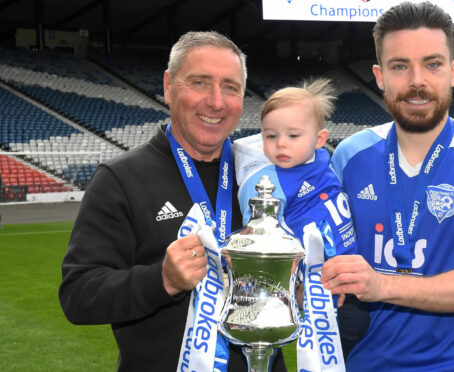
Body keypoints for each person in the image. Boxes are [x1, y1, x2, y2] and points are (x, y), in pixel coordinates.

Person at [58, 31, 286, 371]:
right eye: (199, 82)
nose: (216, 101)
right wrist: (161, 281)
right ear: (168, 85)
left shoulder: (265, 176)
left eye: (230, 87)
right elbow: (78, 296)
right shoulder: (120, 179)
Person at [320, 2, 454, 371]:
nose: (417, 80)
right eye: (400, 66)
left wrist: (381, 285)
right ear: (379, 76)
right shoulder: (350, 156)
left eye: (432, 64)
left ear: (453, 71)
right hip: (359, 363)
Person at [233, 78, 369, 361]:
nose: (281, 143)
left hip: (351, 273)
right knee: (341, 339)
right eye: (270, 136)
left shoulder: (322, 160)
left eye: (293, 136)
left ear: (319, 139)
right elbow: (258, 242)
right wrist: (294, 286)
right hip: (319, 286)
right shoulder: (265, 182)